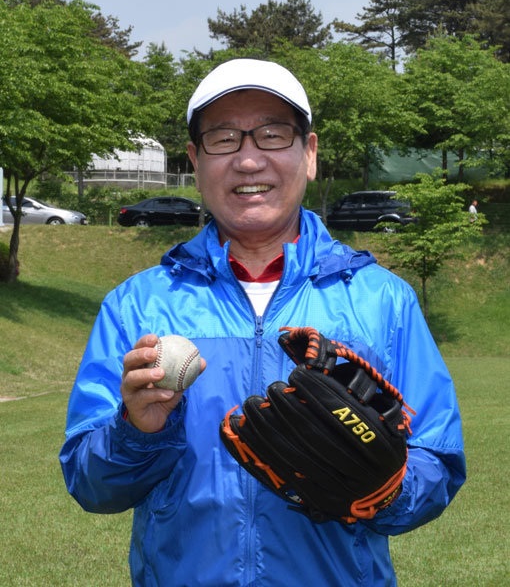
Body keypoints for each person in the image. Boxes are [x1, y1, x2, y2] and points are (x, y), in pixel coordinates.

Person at [60, 58, 466, 586]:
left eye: (273, 135)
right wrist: (135, 432)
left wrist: (383, 490)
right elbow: (91, 484)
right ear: (195, 160)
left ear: (310, 153)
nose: (249, 160)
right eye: (224, 138)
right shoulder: (137, 305)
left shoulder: (383, 301)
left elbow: (438, 462)